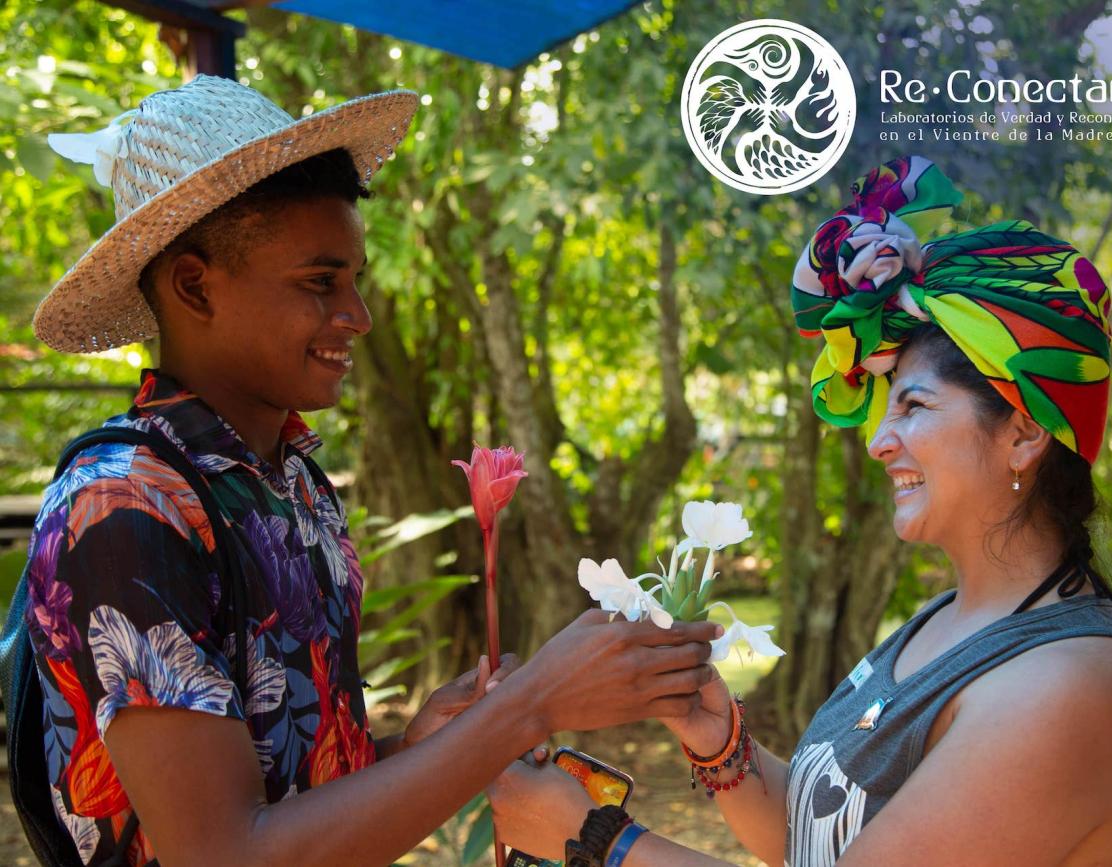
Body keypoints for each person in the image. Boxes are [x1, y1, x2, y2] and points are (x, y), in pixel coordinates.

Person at [21, 75, 720, 866]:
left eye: (354, 279)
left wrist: (411, 747)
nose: (358, 314)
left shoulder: (293, 485)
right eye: (321, 282)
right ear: (193, 285)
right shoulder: (124, 507)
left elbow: (295, 803)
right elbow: (226, 852)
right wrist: (528, 706)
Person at [487, 156, 1112, 866]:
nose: (880, 441)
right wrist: (719, 739)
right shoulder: (946, 621)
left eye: (913, 405)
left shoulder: (1071, 686)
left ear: (1026, 431)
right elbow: (823, 840)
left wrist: (598, 840)